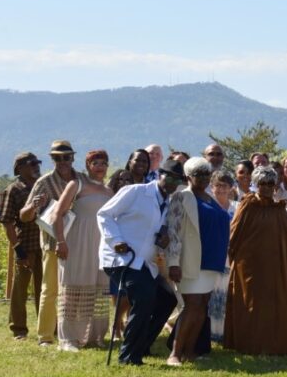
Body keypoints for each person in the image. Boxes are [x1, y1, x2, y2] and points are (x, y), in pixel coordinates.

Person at [97, 159, 182, 365]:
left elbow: (154, 232)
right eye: (169, 177)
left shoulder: (168, 203)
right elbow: (104, 214)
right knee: (144, 298)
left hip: (145, 262)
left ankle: (142, 346)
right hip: (121, 258)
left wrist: (163, 240)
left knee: (167, 299)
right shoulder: (135, 192)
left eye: (177, 180)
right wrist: (116, 241)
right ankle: (128, 356)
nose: (172, 183)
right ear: (159, 174)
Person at [224, 166, 287, 355]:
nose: (266, 187)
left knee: (272, 303)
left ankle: (273, 343)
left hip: (274, 265)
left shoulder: (279, 209)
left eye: (270, 184)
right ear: (255, 184)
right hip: (249, 265)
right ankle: (249, 343)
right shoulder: (247, 205)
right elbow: (235, 234)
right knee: (251, 302)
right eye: (262, 183)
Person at [20, 140, 86, 347]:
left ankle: (75, 333)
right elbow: (24, 216)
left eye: (66, 157)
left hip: (79, 241)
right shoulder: (44, 182)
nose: (62, 161)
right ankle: (46, 336)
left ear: (73, 158)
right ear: (52, 159)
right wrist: (33, 206)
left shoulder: (83, 179)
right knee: (50, 290)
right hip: (52, 242)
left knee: (77, 290)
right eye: (57, 158)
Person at [165, 157, 230, 365]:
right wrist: (173, 262)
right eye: (198, 174)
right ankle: (175, 353)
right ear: (188, 177)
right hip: (191, 260)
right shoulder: (181, 197)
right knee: (192, 306)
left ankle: (190, 351)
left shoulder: (210, 198)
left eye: (206, 174)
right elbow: (173, 232)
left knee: (202, 307)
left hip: (211, 261)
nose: (203, 178)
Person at [51, 149, 113, 350]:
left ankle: (95, 336)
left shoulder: (109, 192)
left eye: (103, 163)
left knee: (98, 290)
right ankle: (68, 338)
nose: (100, 167)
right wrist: (60, 242)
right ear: (88, 166)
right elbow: (57, 214)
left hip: (100, 245)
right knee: (73, 289)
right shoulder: (76, 185)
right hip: (77, 242)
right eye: (96, 163)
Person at [0, 152, 43, 340]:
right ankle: (19, 329)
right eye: (32, 163)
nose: (36, 166)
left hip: (45, 245)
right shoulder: (13, 189)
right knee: (20, 291)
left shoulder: (43, 185)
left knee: (45, 289)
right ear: (20, 168)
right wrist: (18, 249)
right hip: (26, 245)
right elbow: (7, 222)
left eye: (38, 163)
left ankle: (47, 327)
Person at [207, 169, 238, 342]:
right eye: (217, 185)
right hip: (212, 254)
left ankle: (224, 332)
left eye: (225, 186)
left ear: (231, 187)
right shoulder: (208, 206)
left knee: (226, 293)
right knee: (212, 294)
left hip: (230, 255)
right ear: (212, 187)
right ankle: (209, 332)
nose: (221, 189)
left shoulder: (237, 207)